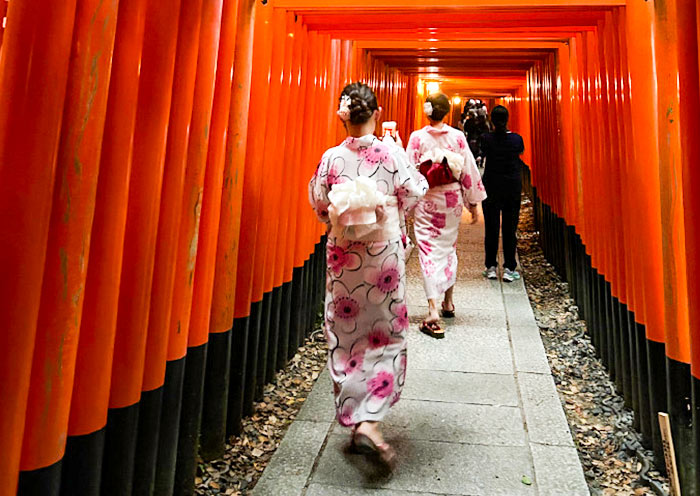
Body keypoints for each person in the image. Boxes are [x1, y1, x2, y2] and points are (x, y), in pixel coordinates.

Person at [308, 82, 428, 469]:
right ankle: (370, 422)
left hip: (344, 258)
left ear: (342, 116)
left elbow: (319, 204)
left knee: (345, 333)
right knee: (386, 332)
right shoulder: (392, 152)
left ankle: (356, 412)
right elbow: (415, 191)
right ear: (376, 114)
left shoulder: (331, 159)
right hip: (384, 259)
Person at [407, 93, 486, 338]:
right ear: (446, 111)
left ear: (427, 112)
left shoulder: (417, 138)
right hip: (451, 199)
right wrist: (472, 203)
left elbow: (409, 172)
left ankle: (432, 308)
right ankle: (448, 301)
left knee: (429, 252)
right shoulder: (457, 137)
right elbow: (468, 171)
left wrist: (406, 206)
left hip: (427, 198)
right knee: (448, 247)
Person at [480, 105, 525, 282]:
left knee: (491, 227)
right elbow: (520, 152)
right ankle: (509, 268)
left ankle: (490, 266)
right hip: (511, 188)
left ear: (491, 120)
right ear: (508, 119)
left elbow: (483, 152)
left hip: (491, 187)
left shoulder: (487, 138)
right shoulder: (516, 139)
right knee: (509, 228)